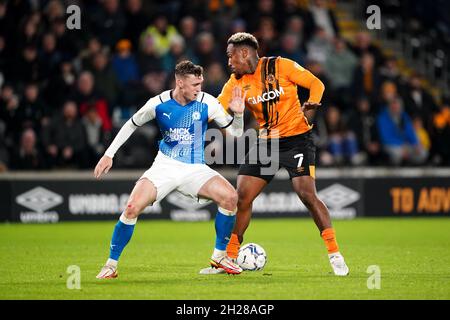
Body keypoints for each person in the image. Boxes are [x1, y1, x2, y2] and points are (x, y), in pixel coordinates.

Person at [94, 61, 246, 278]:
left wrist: (238, 115)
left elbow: (237, 134)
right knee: (131, 208)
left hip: (195, 168)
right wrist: (109, 154)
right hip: (165, 167)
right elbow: (131, 124)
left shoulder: (207, 102)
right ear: (180, 82)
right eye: (194, 84)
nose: (198, 89)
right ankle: (111, 265)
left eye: (200, 84)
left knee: (231, 197)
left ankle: (219, 256)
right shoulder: (158, 103)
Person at [217, 32, 349, 276]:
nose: (228, 61)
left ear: (244, 52)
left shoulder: (281, 66)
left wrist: (313, 102)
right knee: (242, 197)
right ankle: (230, 258)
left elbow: (316, 84)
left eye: (230, 55)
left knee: (306, 195)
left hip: (297, 140)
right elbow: (215, 107)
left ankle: (335, 254)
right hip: (267, 144)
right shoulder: (235, 82)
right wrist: (199, 113)